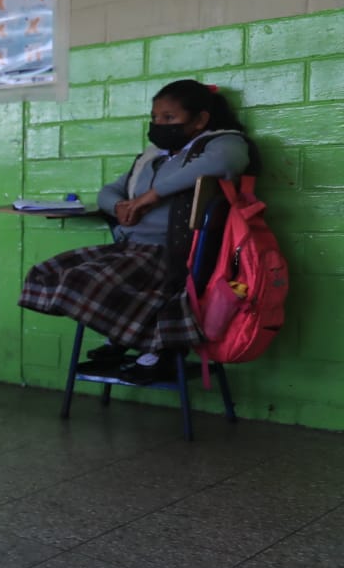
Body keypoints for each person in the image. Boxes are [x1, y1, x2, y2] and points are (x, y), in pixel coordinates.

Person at [20, 79, 256, 384]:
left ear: (200, 119)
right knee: (49, 272)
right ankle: (128, 338)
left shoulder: (222, 144)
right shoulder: (153, 156)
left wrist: (152, 196)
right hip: (130, 247)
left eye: (169, 118)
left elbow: (225, 162)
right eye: (155, 118)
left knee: (81, 282)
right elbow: (109, 190)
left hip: (168, 254)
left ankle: (145, 345)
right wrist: (119, 206)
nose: (159, 125)